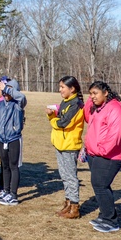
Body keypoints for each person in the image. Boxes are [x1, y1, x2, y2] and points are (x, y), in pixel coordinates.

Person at [84, 80, 121, 233]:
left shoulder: (115, 108)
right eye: (90, 94)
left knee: (100, 184)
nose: (92, 97)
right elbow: (87, 117)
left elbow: (116, 134)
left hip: (110, 156)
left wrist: (101, 150)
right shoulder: (98, 108)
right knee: (98, 185)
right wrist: (90, 149)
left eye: (95, 93)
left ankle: (111, 220)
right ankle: (104, 215)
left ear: (106, 93)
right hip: (95, 154)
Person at [47, 75, 85, 219]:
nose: (60, 90)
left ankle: (75, 206)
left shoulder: (76, 104)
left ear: (72, 88)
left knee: (70, 176)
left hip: (69, 145)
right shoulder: (66, 101)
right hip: (60, 144)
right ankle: (68, 202)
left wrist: (52, 118)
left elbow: (64, 123)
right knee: (64, 175)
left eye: (63, 87)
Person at [0, 79, 27, 206]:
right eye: (4, 90)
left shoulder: (18, 104)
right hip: (1, 139)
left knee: (13, 166)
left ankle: (13, 194)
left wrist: (7, 88)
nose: (5, 93)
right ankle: (5, 190)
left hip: (13, 139)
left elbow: (21, 97)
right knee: (4, 165)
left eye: (9, 90)